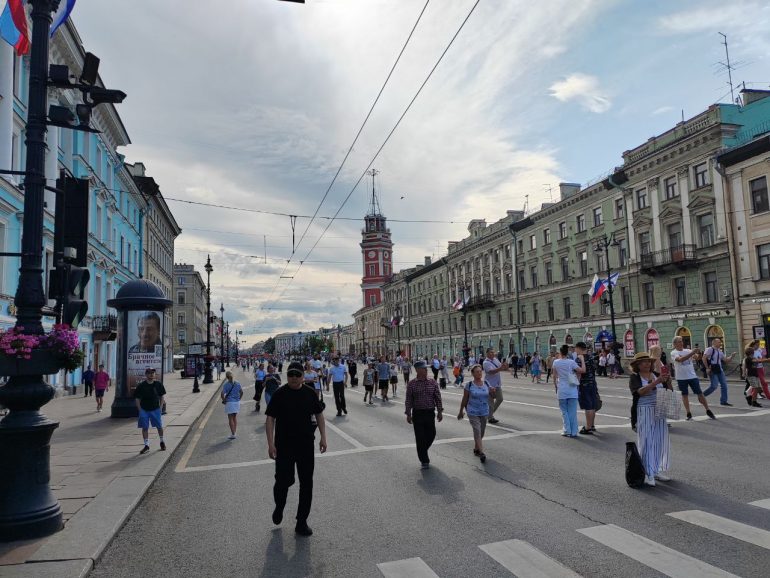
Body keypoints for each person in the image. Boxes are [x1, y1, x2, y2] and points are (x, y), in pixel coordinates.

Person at [266, 361, 327, 537]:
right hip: (284, 446)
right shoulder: (280, 394)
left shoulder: (309, 393)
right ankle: (279, 506)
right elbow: (270, 419)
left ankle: (301, 522)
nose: (293, 377)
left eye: (297, 374)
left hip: (306, 445)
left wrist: (323, 437)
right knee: (283, 481)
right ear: (287, 376)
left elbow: (319, 415)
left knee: (307, 484)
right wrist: (270, 444)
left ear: (303, 377)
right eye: (290, 374)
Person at [628, 352, 672, 486]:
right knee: (647, 441)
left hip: (659, 409)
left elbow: (668, 391)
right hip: (644, 410)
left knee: (659, 440)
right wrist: (656, 383)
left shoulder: (657, 375)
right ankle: (647, 472)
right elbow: (639, 392)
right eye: (643, 362)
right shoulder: (634, 377)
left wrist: (668, 381)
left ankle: (656, 469)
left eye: (648, 361)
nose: (647, 364)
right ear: (637, 365)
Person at [405, 360, 443, 469]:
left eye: (426, 369)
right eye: (424, 369)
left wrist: (439, 411)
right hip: (418, 414)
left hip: (430, 412)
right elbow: (409, 400)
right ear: (417, 370)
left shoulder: (432, 382)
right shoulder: (412, 384)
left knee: (432, 434)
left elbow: (438, 397)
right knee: (420, 437)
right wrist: (408, 413)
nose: (426, 370)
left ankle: (422, 450)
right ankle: (424, 460)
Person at [670, 337, 715, 420]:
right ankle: (688, 413)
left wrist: (699, 353)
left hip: (692, 376)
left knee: (700, 393)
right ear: (675, 344)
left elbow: (697, 358)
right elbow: (680, 360)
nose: (681, 343)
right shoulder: (674, 352)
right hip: (681, 377)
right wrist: (692, 353)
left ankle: (708, 409)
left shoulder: (688, 350)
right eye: (679, 342)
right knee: (685, 395)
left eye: (681, 341)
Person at [457, 364, 493, 463]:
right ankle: (482, 452)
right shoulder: (469, 385)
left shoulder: (486, 383)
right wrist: (461, 411)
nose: (479, 373)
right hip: (472, 411)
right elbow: (464, 399)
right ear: (473, 373)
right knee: (477, 430)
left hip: (484, 411)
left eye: (480, 371)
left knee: (481, 432)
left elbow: (492, 396)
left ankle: (477, 448)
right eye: (477, 371)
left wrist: (492, 391)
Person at [551, 344, 585, 438]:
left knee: (564, 411)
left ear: (560, 352)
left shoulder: (556, 362)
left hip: (561, 389)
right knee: (572, 412)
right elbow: (581, 370)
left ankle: (567, 430)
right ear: (568, 353)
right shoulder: (571, 362)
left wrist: (555, 386)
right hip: (572, 390)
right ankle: (574, 432)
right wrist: (582, 360)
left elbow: (554, 376)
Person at [133, 368, 166, 454]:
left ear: (155, 374)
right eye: (149, 373)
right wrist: (140, 410)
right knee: (145, 427)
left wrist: (161, 407)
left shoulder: (158, 384)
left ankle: (162, 441)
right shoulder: (141, 385)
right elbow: (137, 399)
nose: (151, 374)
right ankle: (146, 445)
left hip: (155, 409)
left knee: (159, 426)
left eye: (153, 373)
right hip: (144, 409)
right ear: (146, 374)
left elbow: (162, 396)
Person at [574, 342, 600, 435]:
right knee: (592, 405)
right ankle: (592, 425)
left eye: (576, 349)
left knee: (588, 406)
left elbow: (577, 372)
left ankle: (588, 427)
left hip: (584, 384)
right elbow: (595, 368)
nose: (575, 351)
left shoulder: (579, 359)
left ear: (579, 348)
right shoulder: (591, 357)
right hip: (593, 383)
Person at [703, 338, 736, 406]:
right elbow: (704, 358)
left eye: (720, 342)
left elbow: (726, 360)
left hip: (719, 370)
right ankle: (702, 396)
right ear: (714, 343)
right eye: (719, 342)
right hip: (712, 369)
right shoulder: (709, 349)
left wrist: (732, 356)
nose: (720, 343)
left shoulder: (719, 351)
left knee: (724, 385)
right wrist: (707, 368)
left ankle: (723, 401)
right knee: (714, 386)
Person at [483, 347, 508, 424]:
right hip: (489, 385)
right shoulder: (485, 362)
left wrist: (505, 366)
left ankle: (489, 415)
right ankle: (490, 417)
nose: (493, 354)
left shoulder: (495, 360)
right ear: (487, 353)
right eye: (491, 352)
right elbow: (491, 372)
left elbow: (501, 367)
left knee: (500, 399)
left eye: (493, 352)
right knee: (490, 403)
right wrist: (500, 368)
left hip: (497, 384)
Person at [221, 371, 243, 440]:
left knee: (230, 418)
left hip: (230, 402)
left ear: (227, 377)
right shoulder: (237, 383)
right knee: (234, 418)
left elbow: (222, 394)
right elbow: (241, 392)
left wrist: (224, 400)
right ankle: (234, 432)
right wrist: (239, 398)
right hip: (236, 402)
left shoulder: (226, 384)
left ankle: (233, 434)